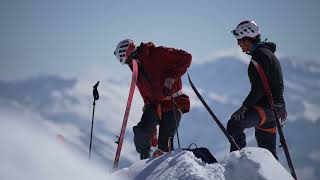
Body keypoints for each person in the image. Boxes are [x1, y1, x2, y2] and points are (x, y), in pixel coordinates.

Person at [114, 39, 192, 159]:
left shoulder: (157, 54)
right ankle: (145, 160)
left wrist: (172, 76)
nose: (128, 65)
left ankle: (163, 166)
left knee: (164, 145)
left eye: (128, 61)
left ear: (131, 53)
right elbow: (146, 95)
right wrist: (151, 126)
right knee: (141, 132)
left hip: (173, 102)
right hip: (154, 106)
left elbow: (186, 57)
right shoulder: (137, 72)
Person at [227, 20, 287, 159]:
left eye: (239, 41)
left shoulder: (259, 56)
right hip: (275, 109)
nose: (238, 44)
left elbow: (258, 88)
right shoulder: (266, 54)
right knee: (269, 155)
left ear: (247, 39)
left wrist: (244, 107)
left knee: (235, 123)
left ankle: (238, 165)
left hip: (267, 107)